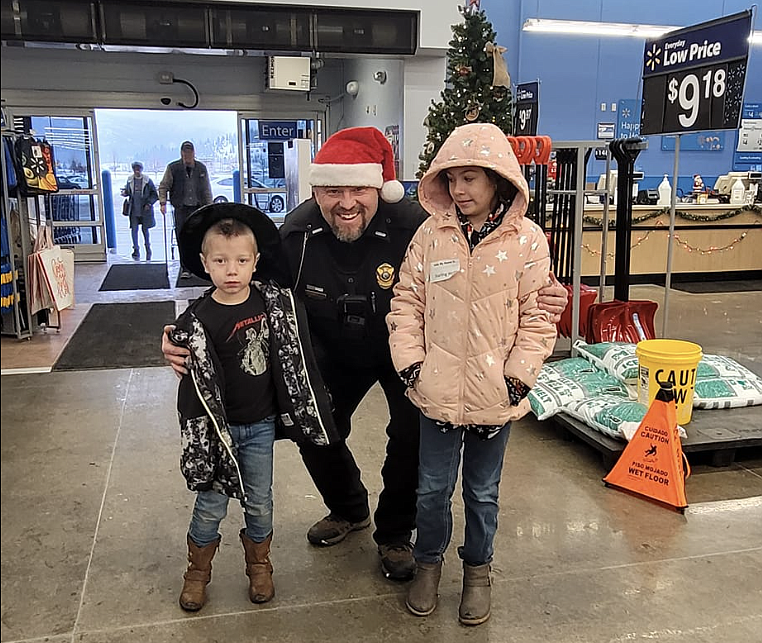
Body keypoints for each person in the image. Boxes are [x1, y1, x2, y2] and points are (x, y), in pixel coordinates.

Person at [162, 126, 569, 583]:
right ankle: (348, 508)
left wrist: (547, 291)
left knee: (413, 434)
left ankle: (395, 532)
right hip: (328, 349)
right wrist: (183, 335)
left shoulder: (416, 223)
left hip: (409, 348)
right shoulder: (295, 235)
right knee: (312, 426)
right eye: (333, 191)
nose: (346, 202)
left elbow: (479, 260)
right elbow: (240, 286)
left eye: (358, 189)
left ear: (380, 189)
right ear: (316, 191)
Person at [387, 123, 557, 625]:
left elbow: (538, 316)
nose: (460, 190)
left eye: (470, 179)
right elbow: (406, 301)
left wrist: (518, 378)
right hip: (436, 393)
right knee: (432, 489)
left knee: (482, 493)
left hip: (495, 395)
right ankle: (427, 565)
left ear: (498, 180)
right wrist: (413, 366)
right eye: (453, 179)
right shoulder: (430, 234)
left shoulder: (527, 241)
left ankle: (478, 572)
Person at [169, 203, 337, 612]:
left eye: (242, 260)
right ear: (204, 264)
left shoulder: (274, 305)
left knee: (259, 500)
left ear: (255, 262)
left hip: (260, 427)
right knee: (210, 502)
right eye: (221, 261)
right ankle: (197, 573)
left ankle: (259, 566)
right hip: (217, 432)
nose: (232, 270)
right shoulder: (197, 318)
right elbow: (183, 360)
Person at [158, 141, 213, 279]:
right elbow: (164, 186)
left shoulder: (201, 168)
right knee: (182, 237)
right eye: (184, 153)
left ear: (194, 153)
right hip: (181, 208)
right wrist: (163, 202)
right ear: (181, 154)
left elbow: (206, 189)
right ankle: (185, 267)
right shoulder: (173, 168)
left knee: (199, 236)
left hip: (198, 207)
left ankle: (200, 266)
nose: (187, 156)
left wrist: (210, 206)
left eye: (189, 153)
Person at [121, 161, 158, 260]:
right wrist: (125, 193)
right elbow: (128, 191)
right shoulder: (130, 180)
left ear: (141, 169)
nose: (137, 170)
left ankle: (147, 247)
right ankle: (136, 248)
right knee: (134, 230)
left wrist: (149, 203)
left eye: (138, 168)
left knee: (145, 230)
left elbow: (154, 194)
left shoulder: (147, 181)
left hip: (145, 210)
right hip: (134, 209)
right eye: (135, 168)